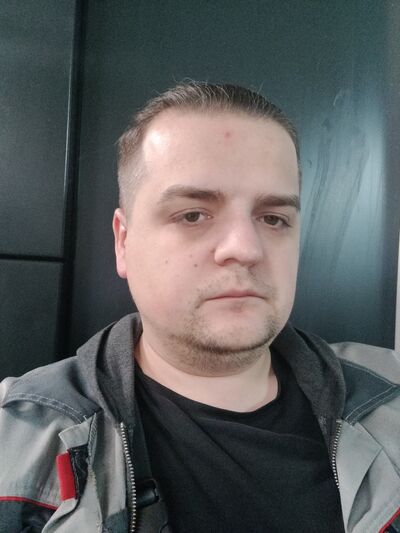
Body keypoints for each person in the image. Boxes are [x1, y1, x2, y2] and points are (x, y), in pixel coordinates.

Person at [0, 82, 399, 533]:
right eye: (192, 214)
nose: (245, 249)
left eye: (273, 218)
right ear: (123, 242)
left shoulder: (390, 402)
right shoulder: (17, 436)